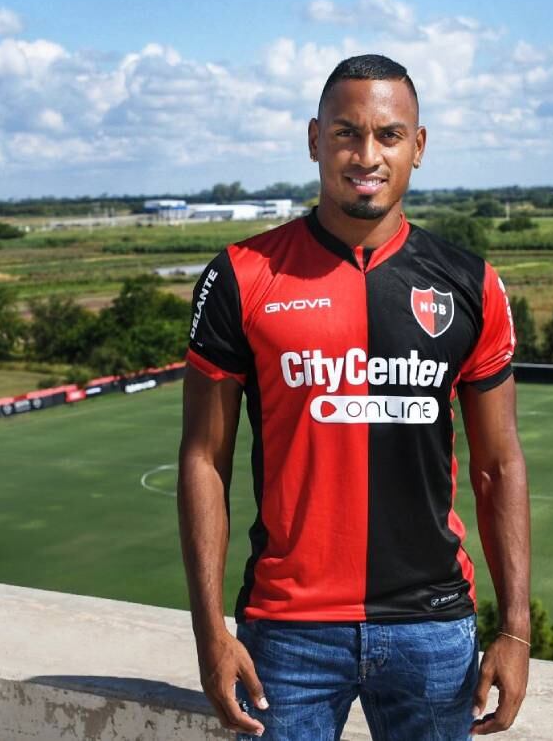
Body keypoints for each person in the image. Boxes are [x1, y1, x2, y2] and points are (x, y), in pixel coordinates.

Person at [179, 54, 530, 740]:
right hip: (286, 635)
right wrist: (209, 633)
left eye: (389, 135)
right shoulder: (241, 276)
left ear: (418, 147)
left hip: (432, 629)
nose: (366, 154)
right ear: (315, 140)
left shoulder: (470, 283)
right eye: (346, 133)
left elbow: (500, 465)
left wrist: (515, 629)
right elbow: (204, 462)